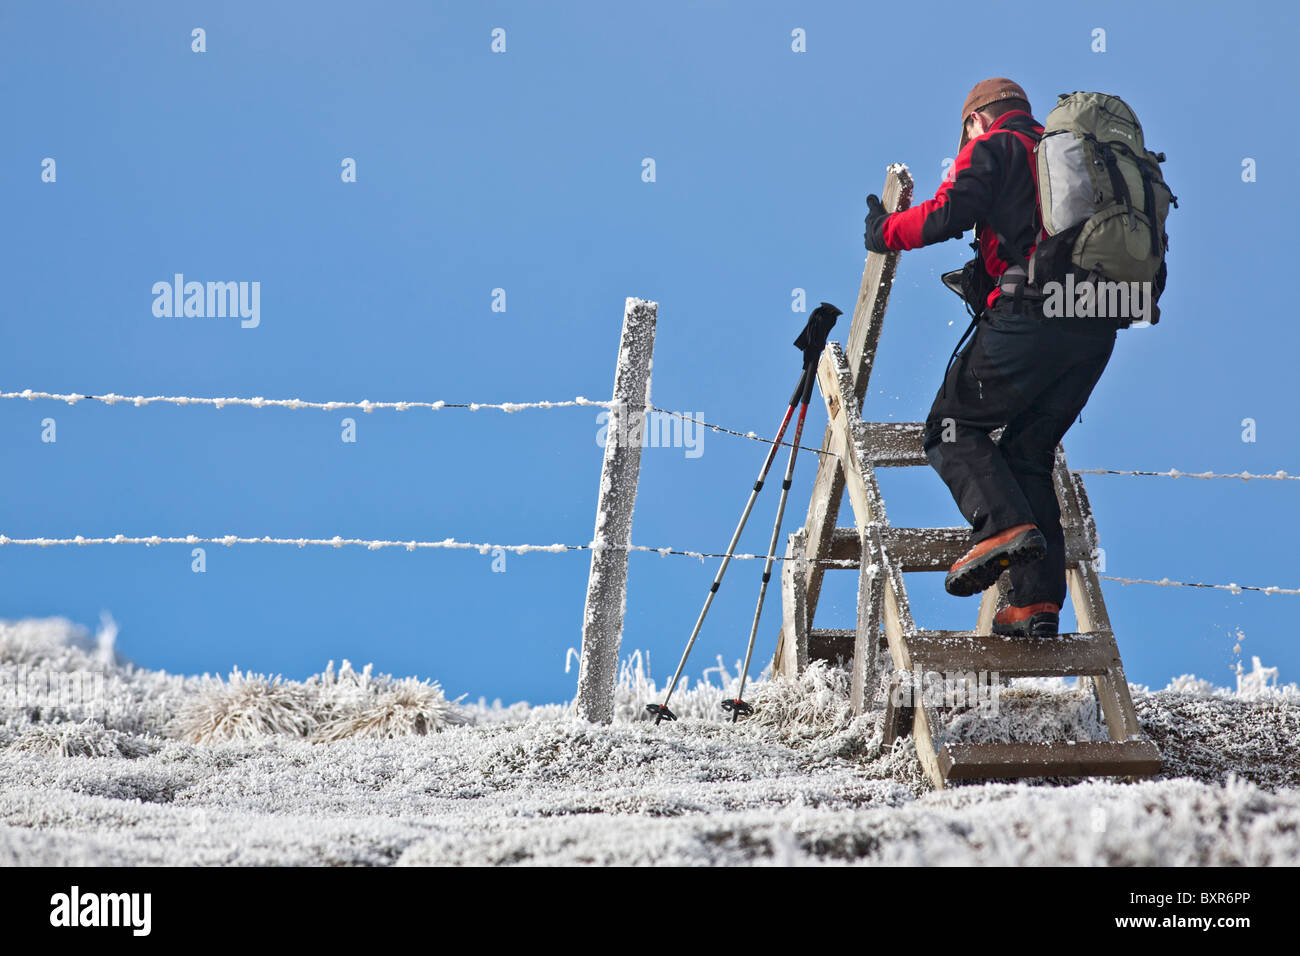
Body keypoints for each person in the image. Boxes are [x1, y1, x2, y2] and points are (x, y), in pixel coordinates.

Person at [863, 77, 1120, 638]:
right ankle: (1034, 604)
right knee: (1027, 451)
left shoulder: (997, 144)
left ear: (977, 119)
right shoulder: (1077, 158)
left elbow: (944, 213)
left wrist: (886, 231)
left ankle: (1000, 527)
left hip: (1035, 318)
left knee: (951, 427)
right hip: (1098, 327)